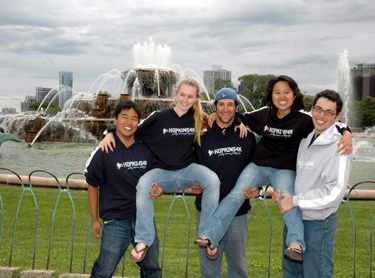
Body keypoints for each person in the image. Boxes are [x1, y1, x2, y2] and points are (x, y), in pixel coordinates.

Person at [195, 75, 352, 261]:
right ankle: (210, 235)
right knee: (237, 193)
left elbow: (329, 120)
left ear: (294, 95)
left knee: (287, 198)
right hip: (259, 164)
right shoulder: (265, 113)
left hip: (284, 169)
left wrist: (347, 132)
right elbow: (235, 115)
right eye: (277, 92)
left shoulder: (304, 118)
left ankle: (296, 244)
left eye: (287, 92)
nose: (282, 96)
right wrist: (216, 116)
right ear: (272, 95)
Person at [99, 77, 221, 262]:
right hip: (163, 173)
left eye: (190, 97)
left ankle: (207, 236)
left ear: (196, 98)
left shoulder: (199, 119)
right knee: (143, 184)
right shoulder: (160, 117)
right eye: (182, 95)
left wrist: (241, 123)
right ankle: (144, 240)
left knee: (212, 180)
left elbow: (226, 121)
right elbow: (131, 128)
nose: (185, 100)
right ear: (176, 94)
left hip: (188, 170)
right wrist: (110, 133)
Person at [273, 89, 353, 277]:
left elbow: (334, 192)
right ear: (311, 109)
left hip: (318, 224)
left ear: (337, 116)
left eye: (329, 112)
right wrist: (285, 196)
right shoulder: (306, 136)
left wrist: (295, 201)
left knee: (316, 273)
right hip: (294, 221)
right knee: (291, 273)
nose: (321, 116)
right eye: (318, 109)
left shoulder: (340, 145)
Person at [84, 101, 161, 278]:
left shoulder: (145, 150)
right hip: (115, 221)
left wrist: (159, 189)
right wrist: (95, 219)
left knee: (152, 269)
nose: (129, 122)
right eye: (124, 117)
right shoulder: (104, 150)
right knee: (104, 270)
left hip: (144, 219)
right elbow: (92, 184)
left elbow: (156, 180)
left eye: (134, 118)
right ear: (115, 120)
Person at [190, 88, 257, 277]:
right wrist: (194, 184)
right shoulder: (202, 137)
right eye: (221, 104)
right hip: (207, 212)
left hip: (237, 212)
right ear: (215, 107)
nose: (225, 109)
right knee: (209, 267)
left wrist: (256, 189)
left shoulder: (246, 135)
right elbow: (192, 166)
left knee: (237, 266)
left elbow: (257, 167)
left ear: (236, 108)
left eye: (230, 105)